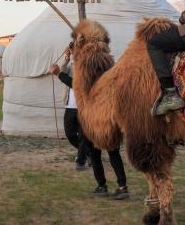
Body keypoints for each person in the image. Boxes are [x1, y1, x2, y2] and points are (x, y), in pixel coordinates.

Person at [49, 52, 130, 200]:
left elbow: (77, 86)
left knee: (97, 153)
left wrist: (59, 74)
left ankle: (103, 186)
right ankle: (121, 187)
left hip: (96, 117)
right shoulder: (109, 70)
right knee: (109, 152)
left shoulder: (91, 74)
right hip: (108, 115)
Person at [49, 48, 89, 170]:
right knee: (70, 134)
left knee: (83, 135)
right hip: (70, 106)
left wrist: (58, 74)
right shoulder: (72, 64)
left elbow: (74, 84)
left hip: (84, 108)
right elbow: (63, 70)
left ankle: (81, 160)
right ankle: (88, 152)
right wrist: (66, 59)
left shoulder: (88, 67)